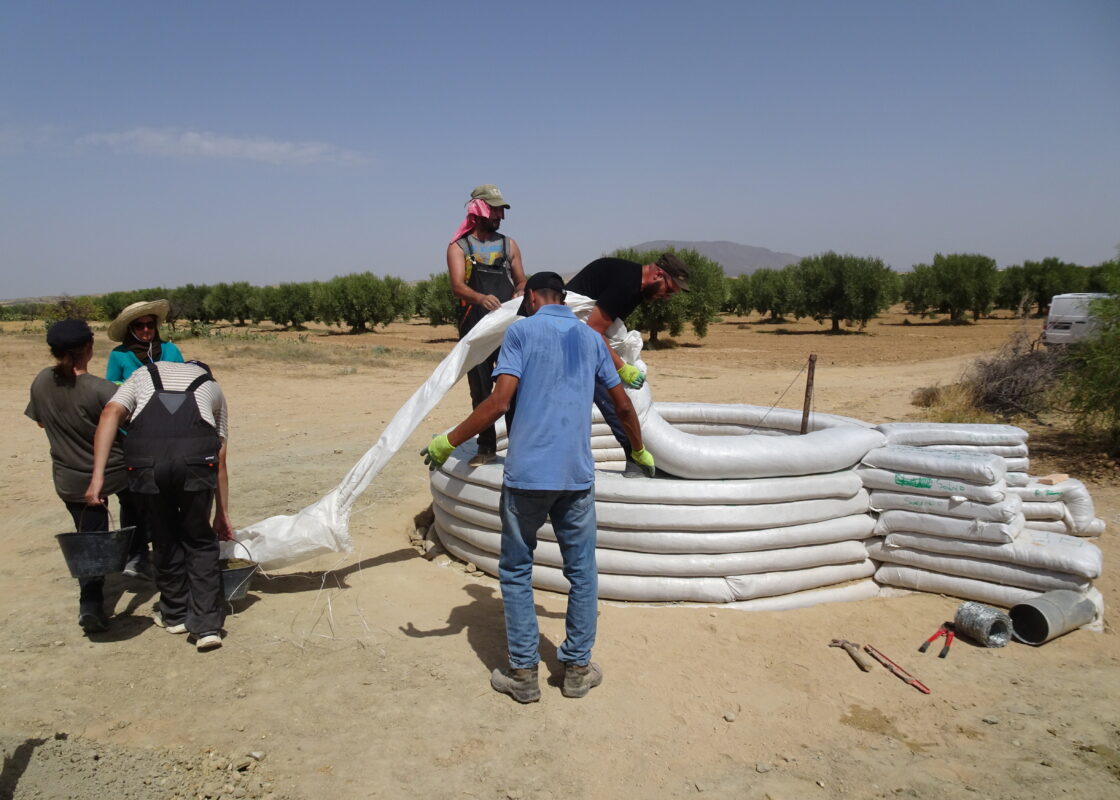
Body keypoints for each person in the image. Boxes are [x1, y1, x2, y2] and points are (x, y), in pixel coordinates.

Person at [421, 272, 654, 703]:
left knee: (515, 571)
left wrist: (447, 441)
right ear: (561, 299)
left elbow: (499, 401)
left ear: (530, 298)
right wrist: (638, 450)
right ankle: (578, 670)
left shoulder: (521, 332)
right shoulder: (589, 339)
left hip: (527, 476)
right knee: (582, 574)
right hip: (575, 479)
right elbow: (622, 404)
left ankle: (524, 674)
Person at [86, 359, 232, 652]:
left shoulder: (142, 375)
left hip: (145, 463)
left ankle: (175, 614)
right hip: (194, 462)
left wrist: (97, 477)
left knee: (163, 536)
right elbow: (220, 458)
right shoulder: (212, 388)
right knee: (200, 539)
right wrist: (222, 515)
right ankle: (206, 626)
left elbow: (111, 411)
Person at [25, 319, 140, 632]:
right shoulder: (102, 390)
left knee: (89, 538)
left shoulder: (41, 381)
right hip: (115, 472)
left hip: (68, 478)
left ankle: (95, 599)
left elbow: (40, 422)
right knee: (134, 508)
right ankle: (130, 562)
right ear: (89, 348)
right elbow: (131, 424)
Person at [565, 253, 690, 474]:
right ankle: (635, 458)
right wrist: (621, 368)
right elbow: (593, 330)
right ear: (658, 274)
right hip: (570, 339)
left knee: (607, 399)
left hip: (579, 337)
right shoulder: (627, 286)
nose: (667, 296)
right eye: (669, 289)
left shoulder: (633, 283)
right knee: (615, 400)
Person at [446, 184, 526, 467]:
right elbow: (457, 286)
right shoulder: (459, 247)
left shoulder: (509, 244)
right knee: (480, 390)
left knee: (514, 388)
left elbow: (522, 280)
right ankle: (486, 447)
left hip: (507, 329)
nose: (500, 216)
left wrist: (519, 292)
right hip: (476, 327)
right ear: (478, 209)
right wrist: (479, 297)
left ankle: (519, 448)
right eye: (494, 209)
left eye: (501, 210)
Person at [105, 299, 185, 384]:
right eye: (139, 325)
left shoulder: (171, 350)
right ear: (131, 329)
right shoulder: (118, 354)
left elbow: (184, 380)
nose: (146, 329)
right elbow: (111, 387)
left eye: (150, 324)